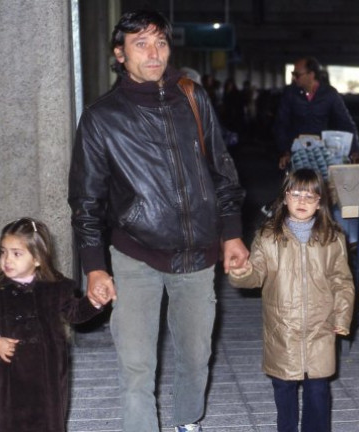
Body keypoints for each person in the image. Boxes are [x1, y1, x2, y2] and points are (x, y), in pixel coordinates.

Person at [67, 10, 249, 432]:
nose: (154, 53)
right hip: (136, 255)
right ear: (120, 54)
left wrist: (233, 234)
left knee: (195, 354)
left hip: (199, 254)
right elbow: (86, 201)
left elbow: (223, 170)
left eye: (161, 43)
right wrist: (94, 266)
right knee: (136, 364)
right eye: (141, 44)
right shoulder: (101, 118)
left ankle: (188, 422)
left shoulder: (193, 97)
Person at [228, 168, 354, 432]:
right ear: (284, 197)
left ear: (320, 201)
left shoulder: (333, 238)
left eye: (310, 196)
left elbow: (342, 282)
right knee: (284, 391)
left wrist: (341, 317)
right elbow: (256, 273)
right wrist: (241, 272)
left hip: (320, 329)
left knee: (318, 392)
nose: (302, 201)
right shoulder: (268, 237)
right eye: (295, 194)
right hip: (282, 330)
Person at [0, 218, 104, 432]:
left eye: (16, 253)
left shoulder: (56, 289)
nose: (7, 260)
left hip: (45, 374)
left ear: (38, 258)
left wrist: (94, 301)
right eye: (3, 252)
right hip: (5, 377)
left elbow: (75, 313)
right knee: (3, 422)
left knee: (46, 421)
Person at [273, 56, 359, 170]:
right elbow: (281, 124)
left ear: (311, 74)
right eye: (293, 74)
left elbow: (346, 123)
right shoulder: (290, 93)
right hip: (297, 153)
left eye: (297, 74)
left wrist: (354, 150)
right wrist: (285, 151)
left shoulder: (330, 94)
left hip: (323, 154)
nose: (294, 78)